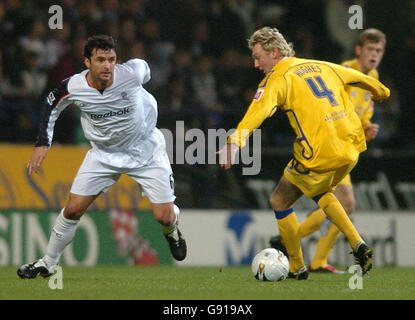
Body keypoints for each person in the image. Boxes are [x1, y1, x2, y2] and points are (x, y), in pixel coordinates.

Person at [217, 27, 390, 279]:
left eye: (257, 56)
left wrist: (234, 142)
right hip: (351, 148)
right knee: (322, 192)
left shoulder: (277, 78)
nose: (255, 64)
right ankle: (358, 244)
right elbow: (355, 76)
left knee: (279, 200)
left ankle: (297, 268)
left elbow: (258, 111)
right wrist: (381, 91)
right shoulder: (318, 64)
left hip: (319, 153)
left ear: (274, 52)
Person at [17, 35, 187, 279]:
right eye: (100, 60)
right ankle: (48, 262)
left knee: (164, 216)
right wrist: (43, 143)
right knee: (73, 209)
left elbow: (146, 73)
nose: (107, 66)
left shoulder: (133, 72)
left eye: (111, 59)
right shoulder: (74, 86)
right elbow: (51, 103)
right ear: (87, 62)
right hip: (104, 154)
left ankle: (172, 232)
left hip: (146, 151)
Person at [270, 28, 386, 274]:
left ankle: (297, 245)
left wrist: (366, 127)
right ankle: (310, 255)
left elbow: (362, 115)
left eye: (379, 50)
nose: (375, 55)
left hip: (347, 148)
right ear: (358, 50)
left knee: (338, 203)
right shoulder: (342, 71)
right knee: (344, 203)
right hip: (329, 147)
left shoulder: (372, 76)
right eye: (370, 50)